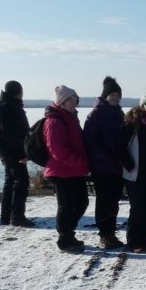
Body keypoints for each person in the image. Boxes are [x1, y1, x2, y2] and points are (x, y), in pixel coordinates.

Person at [82, 76, 129, 249]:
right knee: (104, 200)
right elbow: (89, 141)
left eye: (118, 95)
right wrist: (106, 155)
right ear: (105, 95)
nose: (115, 98)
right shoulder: (97, 113)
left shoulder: (118, 112)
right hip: (102, 167)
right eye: (112, 95)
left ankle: (111, 232)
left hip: (116, 166)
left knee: (114, 200)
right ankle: (104, 235)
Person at [43, 86, 90, 253]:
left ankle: (68, 233)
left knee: (81, 203)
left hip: (74, 170)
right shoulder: (55, 121)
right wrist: (80, 161)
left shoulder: (69, 117)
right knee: (66, 206)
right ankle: (64, 238)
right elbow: (58, 151)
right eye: (72, 100)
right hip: (62, 172)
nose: (75, 103)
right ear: (63, 101)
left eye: (76, 100)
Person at [122, 92, 146, 253]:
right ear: (142, 106)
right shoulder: (133, 123)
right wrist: (129, 165)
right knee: (138, 209)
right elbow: (119, 147)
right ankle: (134, 242)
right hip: (135, 176)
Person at [0, 80, 33, 227]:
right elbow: (13, 135)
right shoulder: (10, 108)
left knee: (10, 183)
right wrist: (22, 154)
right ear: (19, 92)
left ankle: (6, 217)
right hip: (14, 153)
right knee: (21, 183)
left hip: (6, 152)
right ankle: (17, 217)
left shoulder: (3, 105)